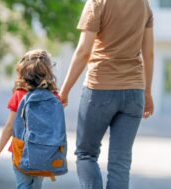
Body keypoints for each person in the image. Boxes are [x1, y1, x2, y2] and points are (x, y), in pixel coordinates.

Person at [59, 0, 154, 188]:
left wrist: (64, 91)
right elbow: (149, 53)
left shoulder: (97, 2)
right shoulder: (143, 4)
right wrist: (148, 92)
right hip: (134, 92)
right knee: (120, 162)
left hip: (100, 88)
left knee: (86, 154)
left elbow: (83, 52)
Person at [0, 49, 62, 189]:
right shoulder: (53, 97)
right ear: (48, 71)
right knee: (36, 186)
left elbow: (10, 126)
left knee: (24, 185)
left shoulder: (19, 95)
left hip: (20, 150)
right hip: (43, 152)